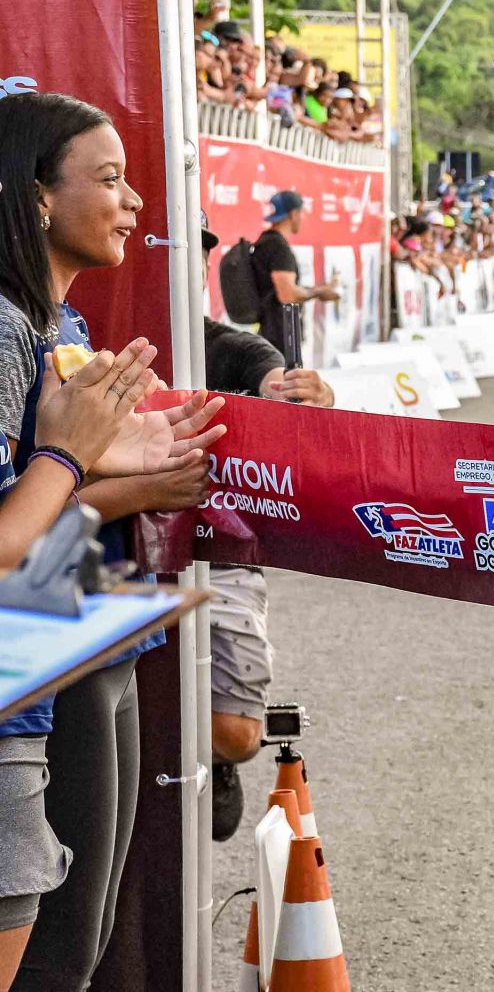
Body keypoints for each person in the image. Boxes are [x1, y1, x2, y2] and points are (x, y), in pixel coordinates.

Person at [0, 91, 226, 990]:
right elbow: (26, 508)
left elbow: (55, 488)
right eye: (112, 178)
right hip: (33, 666)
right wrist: (93, 463)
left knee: (77, 941)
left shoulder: (69, 327)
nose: (136, 202)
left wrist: (139, 473)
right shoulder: (9, 327)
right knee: (60, 954)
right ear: (37, 196)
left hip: (79, 637)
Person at [194, 221, 335, 839]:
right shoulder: (85, 330)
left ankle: (214, 761)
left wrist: (299, 396)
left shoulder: (229, 347)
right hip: (113, 548)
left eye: (198, 254)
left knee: (239, 734)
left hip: (219, 551)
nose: (187, 266)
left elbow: (270, 374)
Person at [251, 190, 340, 361]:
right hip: (281, 339)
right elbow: (288, 294)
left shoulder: (266, 243)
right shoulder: (278, 247)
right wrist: (321, 292)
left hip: (271, 336)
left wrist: (319, 289)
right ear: (294, 214)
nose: (303, 218)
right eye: (302, 213)